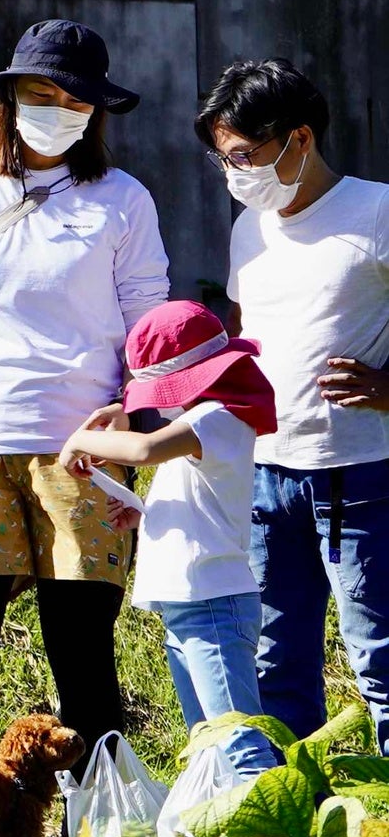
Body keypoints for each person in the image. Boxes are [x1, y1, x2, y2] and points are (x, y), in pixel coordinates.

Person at [0, 23, 165, 776]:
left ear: (97, 111)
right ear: (9, 98)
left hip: (81, 446)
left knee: (81, 648)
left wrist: (133, 413)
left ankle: (93, 835)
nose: (57, 108)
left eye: (74, 97)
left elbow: (149, 322)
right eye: (40, 93)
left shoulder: (123, 200)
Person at [201, 59, 389, 734]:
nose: (235, 174)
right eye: (226, 160)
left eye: (244, 155)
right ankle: (300, 823)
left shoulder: (377, 210)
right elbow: (245, 338)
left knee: (380, 660)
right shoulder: (249, 228)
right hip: (264, 477)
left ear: (299, 138)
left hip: (360, 474)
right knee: (278, 665)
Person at [67, 302, 289, 785]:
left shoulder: (216, 418)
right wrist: (144, 515)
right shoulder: (198, 427)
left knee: (238, 741)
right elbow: (202, 508)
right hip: (188, 604)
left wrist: (81, 440)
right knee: (211, 746)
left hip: (213, 603)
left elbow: (143, 450)